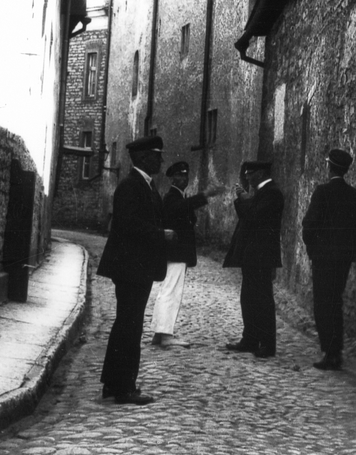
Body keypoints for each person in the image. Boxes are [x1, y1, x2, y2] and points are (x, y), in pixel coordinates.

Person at [97, 135, 173, 404]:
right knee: (129, 326)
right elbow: (128, 224)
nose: (161, 161)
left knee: (127, 324)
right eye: (156, 156)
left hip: (137, 267)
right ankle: (124, 388)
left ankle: (113, 383)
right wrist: (160, 234)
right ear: (142, 158)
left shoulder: (145, 185)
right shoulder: (131, 186)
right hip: (131, 267)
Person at [301, 148, 356, 371]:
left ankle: (329, 352)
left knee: (322, 304)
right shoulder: (353, 194)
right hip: (342, 260)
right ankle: (336, 351)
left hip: (323, 259)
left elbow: (309, 225)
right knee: (335, 302)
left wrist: (313, 249)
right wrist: (349, 254)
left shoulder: (322, 192)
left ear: (329, 167)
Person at [150, 161, 224, 348]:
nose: (183, 179)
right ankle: (165, 335)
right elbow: (182, 207)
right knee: (171, 292)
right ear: (172, 178)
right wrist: (204, 195)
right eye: (179, 176)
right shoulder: (172, 197)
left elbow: (186, 209)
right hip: (175, 252)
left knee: (168, 290)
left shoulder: (179, 197)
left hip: (177, 253)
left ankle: (159, 333)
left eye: (185, 176)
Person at [223, 160, 284, 358]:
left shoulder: (272, 193)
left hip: (262, 255)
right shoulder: (260, 192)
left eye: (250, 173)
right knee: (249, 298)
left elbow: (253, 217)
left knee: (262, 300)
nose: (247, 177)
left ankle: (267, 344)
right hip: (252, 255)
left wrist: (243, 198)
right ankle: (250, 339)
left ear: (261, 173)